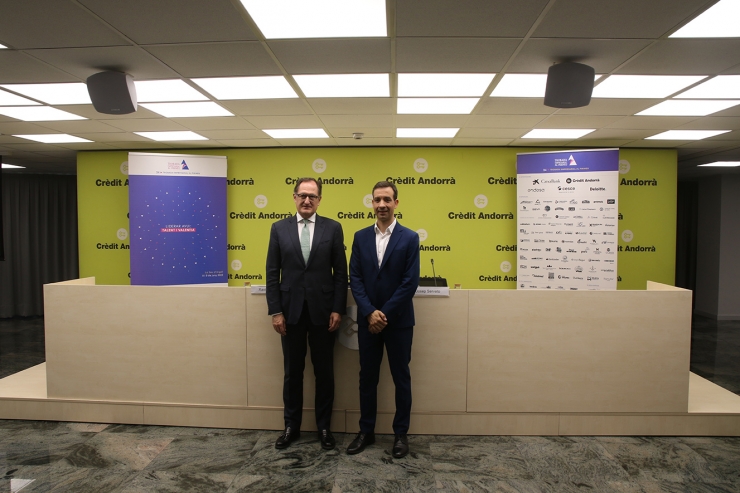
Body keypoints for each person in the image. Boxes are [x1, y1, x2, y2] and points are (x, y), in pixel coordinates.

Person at [266, 177, 348, 450]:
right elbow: (271, 273)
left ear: (320, 199)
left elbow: (341, 275)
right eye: (302, 195)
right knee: (293, 373)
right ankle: (291, 427)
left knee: (324, 373)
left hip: (324, 315)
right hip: (289, 315)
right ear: (294, 197)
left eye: (312, 196)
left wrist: (338, 308)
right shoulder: (279, 229)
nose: (307, 200)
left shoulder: (333, 228)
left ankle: (324, 427)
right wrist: (276, 311)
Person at [347, 180, 420, 458]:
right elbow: (356, 278)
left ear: (396, 203)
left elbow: (409, 282)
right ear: (371, 203)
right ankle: (366, 431)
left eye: (387, 200)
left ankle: (401, 434)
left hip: (399, 322)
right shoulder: (360, 237)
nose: (381, 205)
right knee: (367, 378)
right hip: (368, 322)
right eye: (377, 200)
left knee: (401, 378)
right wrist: (369, 312)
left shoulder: (410, 238)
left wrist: (383, 313)